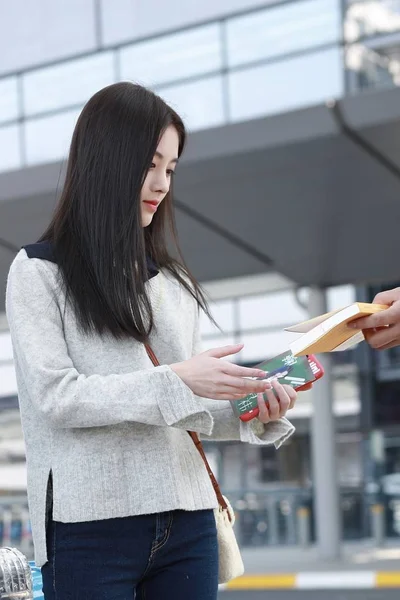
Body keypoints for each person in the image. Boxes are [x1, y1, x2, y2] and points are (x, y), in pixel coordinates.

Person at [6, 82, 300, 600]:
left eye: (171, 168)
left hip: (187, 520)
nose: (162, 182)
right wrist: (177, 380)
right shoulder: (38, 273)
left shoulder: (172, 282)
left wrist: (255, 411)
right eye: (150, 164)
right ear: (107, 159)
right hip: (89, 525)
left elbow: (184, 406)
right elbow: (58, 397)